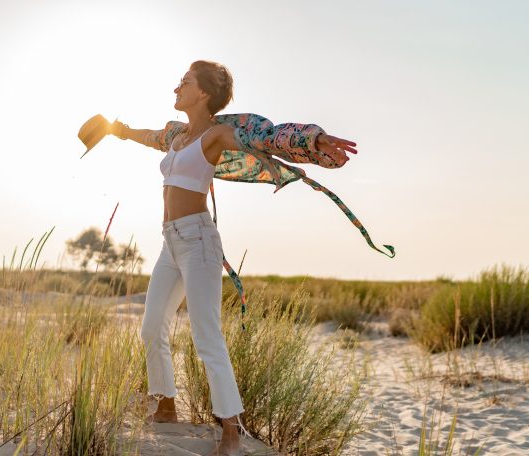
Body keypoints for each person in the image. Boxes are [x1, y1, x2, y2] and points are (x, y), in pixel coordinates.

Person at [80, 60, 359, 456]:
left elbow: (267, 137)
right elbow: (151, 136)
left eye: (185, 82)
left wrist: (312, 141)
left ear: (204, 94)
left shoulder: (216, 135)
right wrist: (118, 131)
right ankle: (165, 405)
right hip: (170, 243)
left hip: (199, 242)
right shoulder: (177, 135)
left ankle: (232, 428)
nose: (177, 87)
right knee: (151, 327)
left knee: (206, 336)